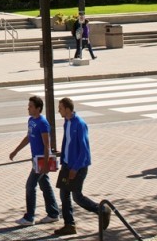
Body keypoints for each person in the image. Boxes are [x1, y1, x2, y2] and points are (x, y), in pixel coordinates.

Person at [54, 97, 110, 237]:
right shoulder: (66, 123)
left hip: (78, 167)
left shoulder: (79, 124)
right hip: (67, 165)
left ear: (67, 109)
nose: (58, 110)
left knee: (77, 196)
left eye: (60, 108)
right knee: (63, 194)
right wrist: (63, 160)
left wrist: (75, 168)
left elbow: (84, 150)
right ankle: (69, 225)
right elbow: (67, 143)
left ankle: (102, 210)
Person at [8, 95, 60, 226]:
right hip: (35, 159)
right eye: (28, 105)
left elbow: (46, 145)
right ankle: (53, 213)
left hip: (42, 160)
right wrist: (16, 150)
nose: (28, 108)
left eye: (31, 106)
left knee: (30, 186)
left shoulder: (43, 123)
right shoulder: (31, 120)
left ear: (38, 108)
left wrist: (46, 164)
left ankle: (29, 217)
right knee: (45, 185)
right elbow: (28, 137)